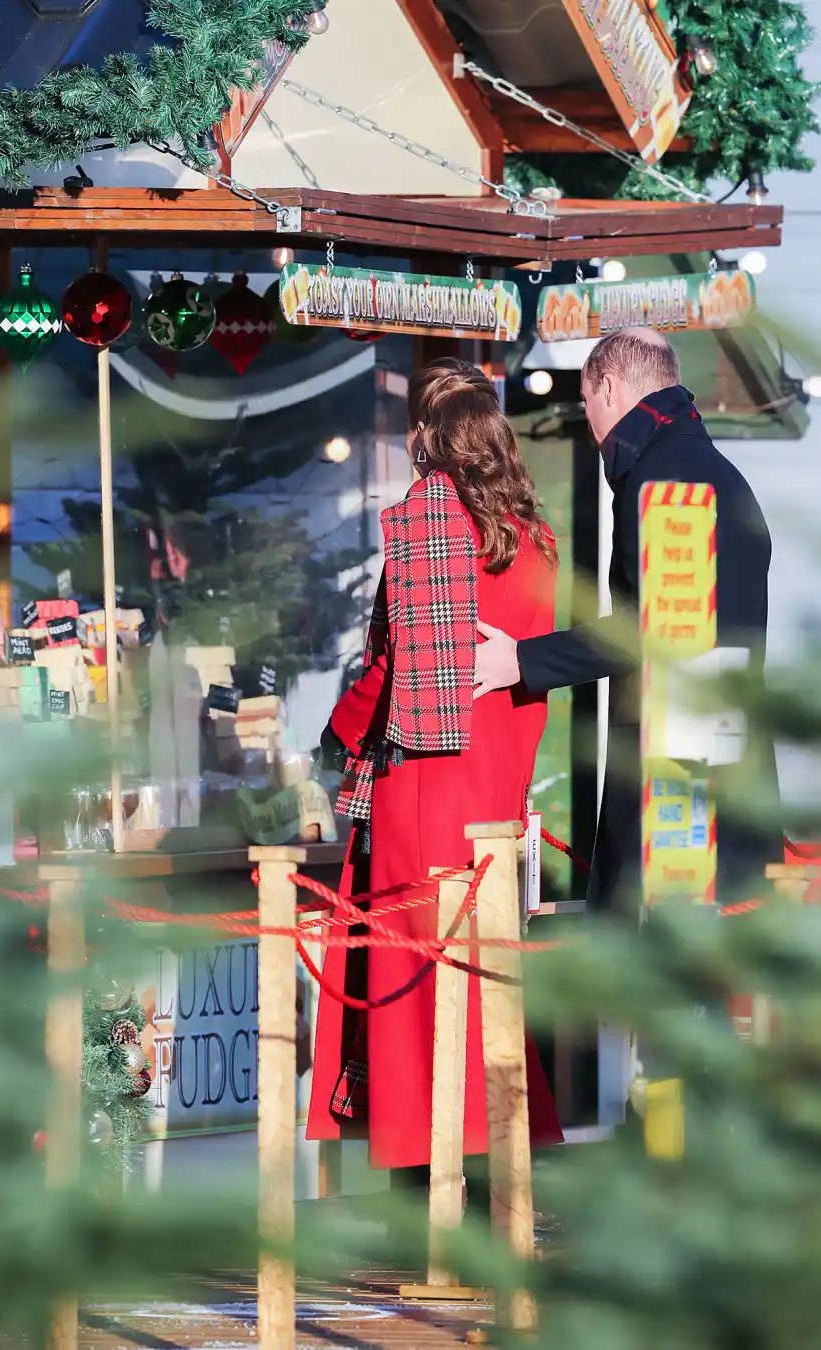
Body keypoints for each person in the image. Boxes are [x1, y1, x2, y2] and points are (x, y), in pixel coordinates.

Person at [307, 358, 564, 1199]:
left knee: (415, 994)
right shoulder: (534, 541)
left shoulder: (429, 529)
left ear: (429, 441)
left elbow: (394, 669)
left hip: (424, 792)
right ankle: (494, 1184)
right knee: (486, 989)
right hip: (496, 791)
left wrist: (336, 735)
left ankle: (426, 1194)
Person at [474, 328, 780, 915]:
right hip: (720, 781)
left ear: (609, 388)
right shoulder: (715, 472)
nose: (587, 422)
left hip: (678, 802)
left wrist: (521, 660)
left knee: (663, 991)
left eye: (585, 401)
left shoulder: (668, 482)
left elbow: (655, 631)